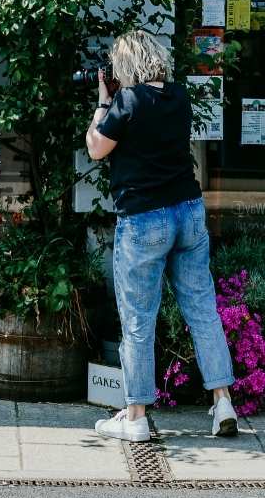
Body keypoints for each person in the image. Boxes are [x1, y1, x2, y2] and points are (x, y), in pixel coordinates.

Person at [85, 30, 236, 442]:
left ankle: (135, 416)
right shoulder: (179, 97)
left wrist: (102, 103)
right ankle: (223, 401)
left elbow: (96, 148)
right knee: (202, 309)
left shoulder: (127, 102)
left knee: (138, 319)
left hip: (144, 220)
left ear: (125, 64)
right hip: (188, 211)